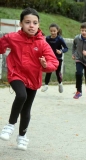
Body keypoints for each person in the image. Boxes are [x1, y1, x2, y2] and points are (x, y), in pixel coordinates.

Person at [0, 8, 58, 150]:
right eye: (27, 22)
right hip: (16, 74)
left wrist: (46, 65)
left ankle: (22, 137)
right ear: (21, 24)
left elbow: (54, 63)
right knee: (21, 95)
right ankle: (10, 125)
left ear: (38, 25)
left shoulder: (42, 43)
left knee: (26, 110)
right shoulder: (13, 37)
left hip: (33, 79)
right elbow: (1, 46)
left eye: (35, 23)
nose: (31, 25)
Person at [41, 23, 68, 93]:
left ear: (57, 30)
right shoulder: (47, 38)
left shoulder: (60, 39)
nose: (53, 32)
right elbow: (44, 46)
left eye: (54, 31)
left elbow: (66, 48)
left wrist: (61, 51)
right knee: (49, 71)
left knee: (57, 72)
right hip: (49, 58)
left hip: (58, 58)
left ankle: (60, 84)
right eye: (51, 31)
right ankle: (46, 85)